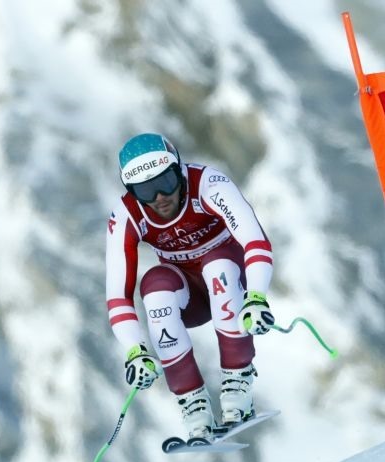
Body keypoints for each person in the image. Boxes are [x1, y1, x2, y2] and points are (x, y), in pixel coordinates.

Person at [105, 132, 275, 440]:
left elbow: (255, 240)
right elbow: (118, 295)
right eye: (146, 190)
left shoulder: (208, 184)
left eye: (165, 182)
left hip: (231, 278)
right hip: (190, 297)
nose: (160, 197)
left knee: (217, 264)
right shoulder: (126, 214)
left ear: (179, 170)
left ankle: (238, 385)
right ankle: (193, 406)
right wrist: (135, 350)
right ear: (132, 192)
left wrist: (256, 296)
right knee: (154, 286)